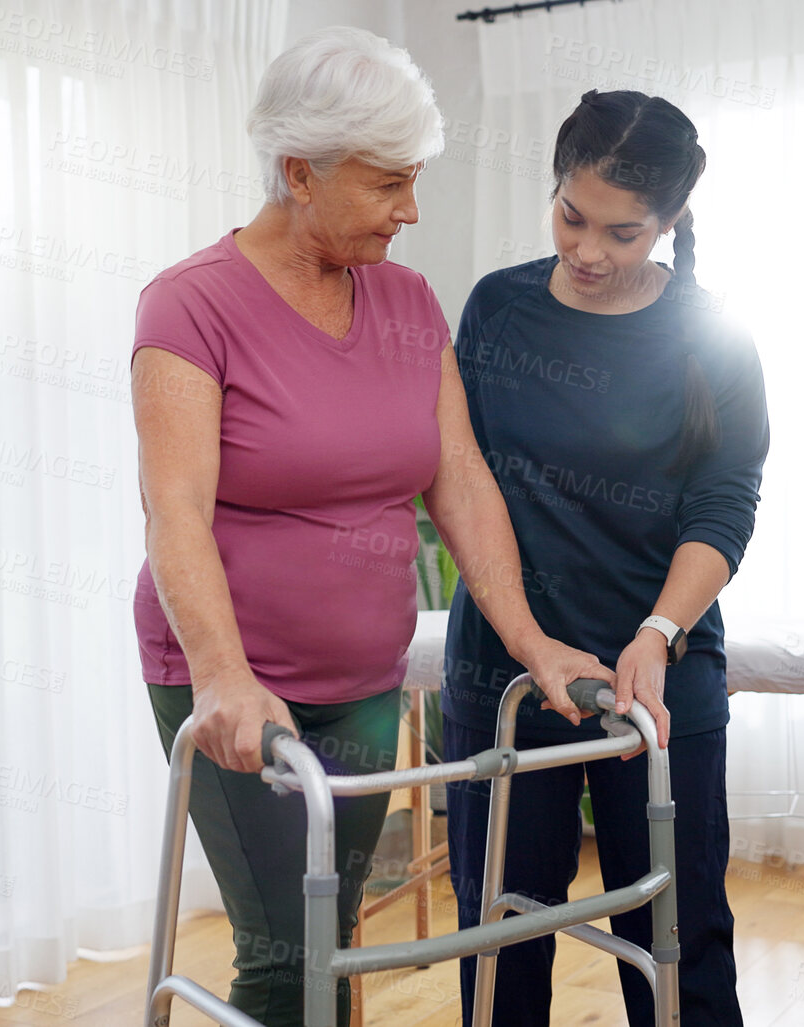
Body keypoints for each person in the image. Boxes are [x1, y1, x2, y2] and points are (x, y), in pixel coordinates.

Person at [130, 29, 611, 1027]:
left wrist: (533, 643)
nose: (411, 208)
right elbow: (173, 511)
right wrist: (222, 671)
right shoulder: (191, 305)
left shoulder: (406, 299)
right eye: (389, 182)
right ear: (301, 172)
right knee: (285, 954)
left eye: (416, 179)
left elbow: (462, 483)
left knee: (332, 933)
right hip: (230, 684)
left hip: (360, 687)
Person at [440, 89, 770, 1027]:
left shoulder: (714, 337)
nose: (587, 251)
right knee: (500, 934)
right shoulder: (496, 309)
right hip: (503, 671)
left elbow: (725, 501)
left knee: (681, 931)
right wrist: (525, 635)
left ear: (669, 224)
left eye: (623, 235)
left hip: (657, 679)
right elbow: (461, 480)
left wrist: (659, 632)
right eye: (570, 216)